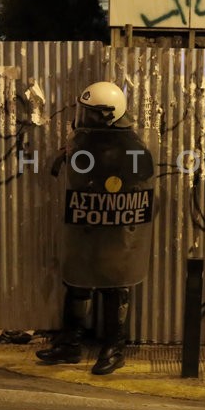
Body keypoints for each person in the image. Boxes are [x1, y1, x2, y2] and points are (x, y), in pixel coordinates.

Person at [36, 81, 155, 375]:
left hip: (115, 233)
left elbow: (140, 193)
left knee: (116, 285)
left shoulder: (131, 146)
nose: (83, 118)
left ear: (107, 115)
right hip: (88, 229)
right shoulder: (87, 140)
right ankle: (70, 344)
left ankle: (114, 349)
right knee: (77, 282)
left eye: (90, 113)